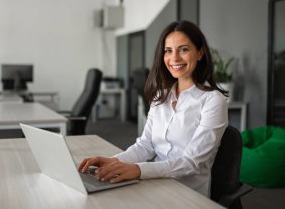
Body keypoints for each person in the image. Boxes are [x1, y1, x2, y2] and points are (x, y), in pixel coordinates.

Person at [78, 20, 228, 197]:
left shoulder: (213, 101)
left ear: (200, 53)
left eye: (184, 49)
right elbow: (146, 144)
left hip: (187, 194)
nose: (175, 58)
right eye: (168, 51)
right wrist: (113, 162)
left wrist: (138, 170)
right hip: (153, 182)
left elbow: (191, 162)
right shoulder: (161, 96)